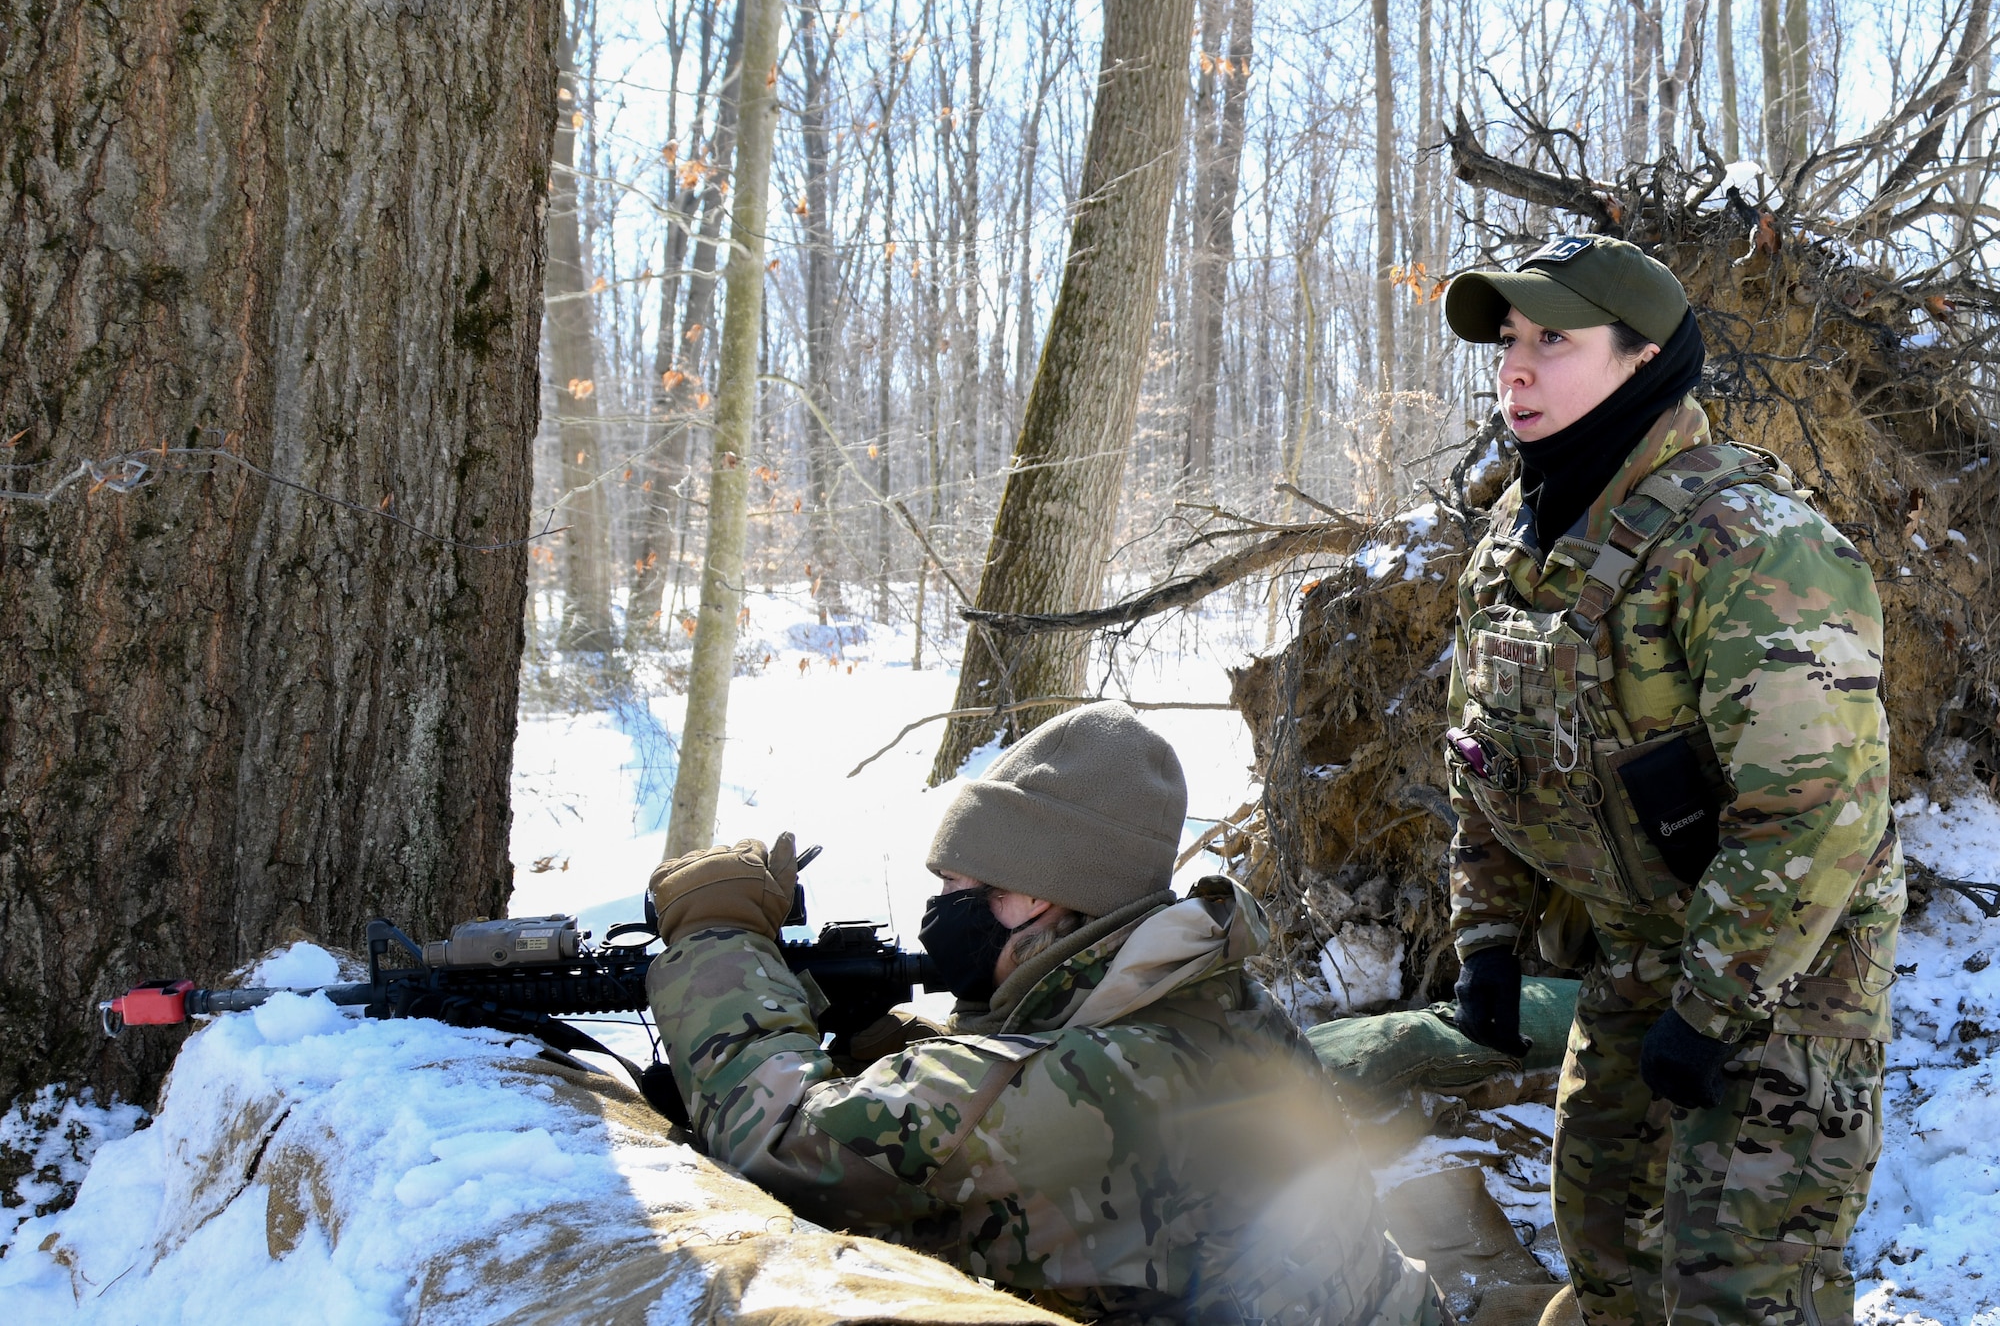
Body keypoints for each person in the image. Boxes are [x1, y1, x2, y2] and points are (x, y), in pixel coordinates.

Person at [1438, 234, 1904, 1326]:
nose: (1514, 366)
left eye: (1553, 339)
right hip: (1640, 952)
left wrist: (1709, 1009)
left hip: (1785, 976)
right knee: (1608, 1254)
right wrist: (1486, 940)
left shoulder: (1750, 544)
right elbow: (1484, 750)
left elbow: (1816, 813)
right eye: (1509, 340)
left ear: (1642, 359)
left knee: (1740, 1292)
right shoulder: (1520, 535)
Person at [644, 701, 1443, 1325]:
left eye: (956, 882)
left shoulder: (1093, 1082)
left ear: (1034, 892)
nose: (939, 907)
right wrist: (904, 1050)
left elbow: (776, 1139)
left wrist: (717, 937)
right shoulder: (1208, 996)